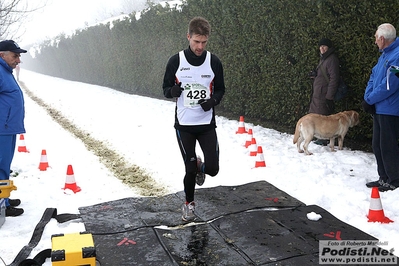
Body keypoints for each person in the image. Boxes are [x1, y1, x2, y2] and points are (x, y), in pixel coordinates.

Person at [162, 17, 225, 221]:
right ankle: (189, 203)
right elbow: (165, 89)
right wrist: (173, 90)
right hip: (185, 125)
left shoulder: (213, 61)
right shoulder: (176, 61)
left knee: (213, 169)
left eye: (204, 42)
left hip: (206, 124)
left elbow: (221, 89)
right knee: (189, 169)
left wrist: (213, 101)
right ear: (188, 37)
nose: (200, 46)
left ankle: (201, 166)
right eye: (196, 41)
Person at [363, 23, 399, 192]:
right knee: (377, 144)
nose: (375, 41)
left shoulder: (397, 56)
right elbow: (373, 76)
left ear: (382, 38)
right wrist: (368, 98)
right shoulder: (383, 55)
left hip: (390, 109)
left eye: (376, 38)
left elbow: (389, 85)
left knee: (388, 145)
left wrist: (370, 99)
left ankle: (394, 179)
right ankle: (383, 177)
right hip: (379, 107)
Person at [0, 40, 27, 216]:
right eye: (15, 55)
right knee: (0, 166)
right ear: (2, 54)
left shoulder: (5, 71)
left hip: (8, 128)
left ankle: (5, 199)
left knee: (4, 166)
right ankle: (2, 205)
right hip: (2, 128)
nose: (18, 60)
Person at [308, 38, 340, 145]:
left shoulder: (331, 59)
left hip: (324, 94)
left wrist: (329, 96)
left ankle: (323, 138)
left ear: (328, 47)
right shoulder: (323, 59)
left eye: (324, 46)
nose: (321, 48)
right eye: (320, 46)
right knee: (316, 115)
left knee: (322, 116)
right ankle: (318, 136)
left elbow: (334, 79)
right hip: (318, 93)